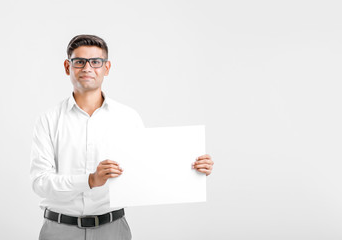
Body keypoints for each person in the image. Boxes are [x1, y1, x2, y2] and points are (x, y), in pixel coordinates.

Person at [30, 34, 214, 240]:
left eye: (96, 62)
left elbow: (148, 170)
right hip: (59, 229)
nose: (87, 68)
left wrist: (191, 169)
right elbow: (40, 182)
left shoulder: (127, 117)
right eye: (79, 62)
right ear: (67, 67)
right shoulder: (48, 120)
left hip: (112, 230)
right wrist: (90, 180)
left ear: (106, 68)